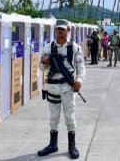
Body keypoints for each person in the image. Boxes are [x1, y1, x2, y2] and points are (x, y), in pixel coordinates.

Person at [38, 19, 85, 159]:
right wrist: (43, 61)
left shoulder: (76, 48)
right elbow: (41, 68)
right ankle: (53, 144)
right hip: (52, 87)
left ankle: (72, 145)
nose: (60, 31)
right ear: (55, 30)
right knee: (53, 117)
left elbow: (81, 67)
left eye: (62, 29)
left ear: (68, 30)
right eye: (58, 29)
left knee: (70, 117)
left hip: (67, 87)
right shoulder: (48, 47)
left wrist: (79, 81)